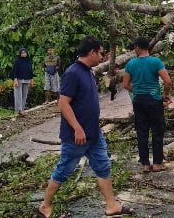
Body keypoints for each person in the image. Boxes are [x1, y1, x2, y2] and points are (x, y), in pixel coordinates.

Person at [38, 36, 135, 218]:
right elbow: (63, 103)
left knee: (103, 166)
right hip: (77, 135)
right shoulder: (73, 73)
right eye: (100, 53)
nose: (101, 57)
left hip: (93, 133)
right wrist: (77, 128)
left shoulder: (88, 72)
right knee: (64, 169)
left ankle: (111, 205)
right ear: (92, 52)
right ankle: (45, 205)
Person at [122, 37, 173, 173]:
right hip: (154, 99)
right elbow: (168, 81)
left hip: (138, 100)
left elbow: (125, 85)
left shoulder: (131, 63)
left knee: (142, 132)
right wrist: (166, 95)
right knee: (157, 131)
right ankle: (157, 164)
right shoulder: (156, 62)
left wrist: (138, 90)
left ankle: (145, 164)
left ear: (138, 48)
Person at [12, 48, 34, 116]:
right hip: (19, 79)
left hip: (27, 79)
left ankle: (22, 109)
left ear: (27, 53)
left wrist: (31, 80)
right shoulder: (17, 61)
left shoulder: (29, 61)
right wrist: (15, 80)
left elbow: (30, 71)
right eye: (22, 53)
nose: (23, 54)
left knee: (24, 95)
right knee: (18, 95)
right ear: (20, 54)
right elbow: (14, 71)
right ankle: (19, 110)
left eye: (24, 53)